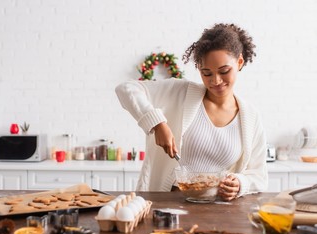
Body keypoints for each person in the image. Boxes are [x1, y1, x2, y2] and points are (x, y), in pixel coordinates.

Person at [115, 23, 268, 201]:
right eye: (206, 73)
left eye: (224, 71)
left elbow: (259, 175)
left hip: (220, 212)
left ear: (239, 62)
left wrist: (241, 183)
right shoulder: (180, 92)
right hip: (166, 206)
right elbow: (126, 89)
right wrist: (157, 123)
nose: (216, 81)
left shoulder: (250, 116)